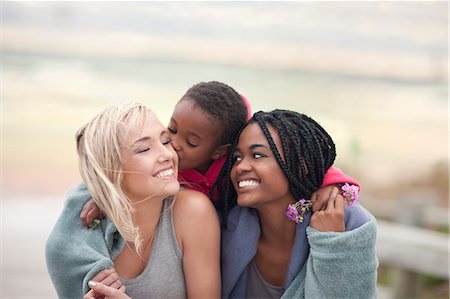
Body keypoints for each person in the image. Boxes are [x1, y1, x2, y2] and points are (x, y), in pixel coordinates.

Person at [45, 103, 221, 299]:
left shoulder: (193, 212)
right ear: (112, 170)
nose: (167, 155)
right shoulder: (77, 246)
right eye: (144, 149)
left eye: (165, 141)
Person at [214, 110, 378, 298]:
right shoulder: (226, 221)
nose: (240, 167)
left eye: (258, 155)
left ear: (300, 164)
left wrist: (330, 245)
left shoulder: (349, 223)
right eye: (237, 158)